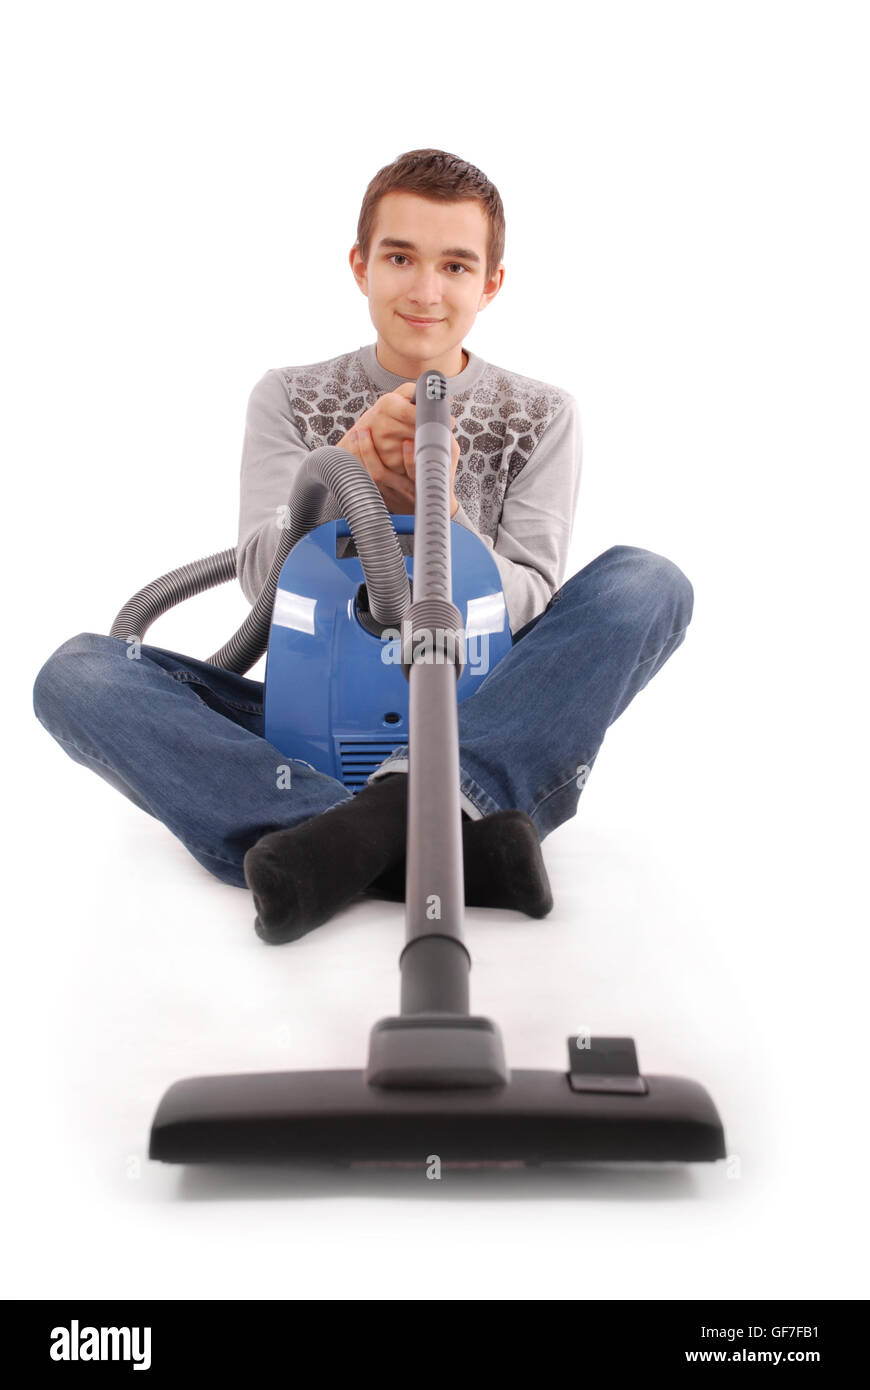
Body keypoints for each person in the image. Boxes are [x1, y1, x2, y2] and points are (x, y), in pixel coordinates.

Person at [32, 148, 694, 945]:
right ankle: (412, 830)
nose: (425, 290)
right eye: (401, 257)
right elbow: (258, 587)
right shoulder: (289, 395)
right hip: (306, 721)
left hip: (476, 708)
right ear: (360, 265)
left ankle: (358, 835)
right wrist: (350, 485)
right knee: (79, 673)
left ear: (491, 283)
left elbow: (532, 597)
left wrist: (447, 525)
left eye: (455, 265)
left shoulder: (541, 413)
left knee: (648, 582)